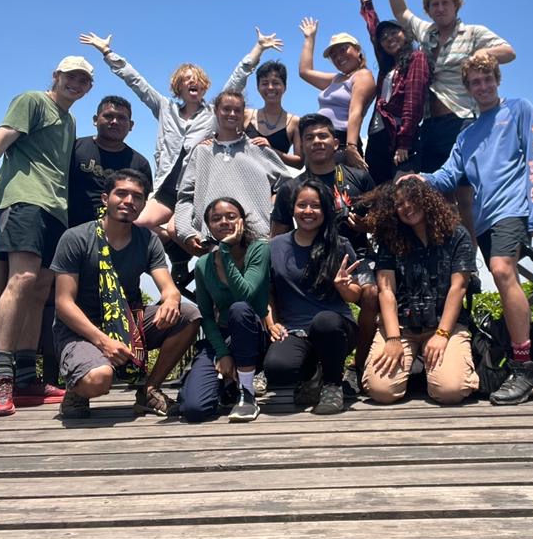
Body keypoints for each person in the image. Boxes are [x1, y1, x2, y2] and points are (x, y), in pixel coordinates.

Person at [401, 51, 533, 406]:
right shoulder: (466, 135)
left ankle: (525, 367)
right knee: (502, 280)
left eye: (487, 80)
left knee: (501, 271)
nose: (482, 87)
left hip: (512, 210)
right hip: (482, 220)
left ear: (497, 80)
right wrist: (419, 177)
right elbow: (449, 176)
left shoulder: (519, 110)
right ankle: (521, 359)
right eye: (475, 82)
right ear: (467, 89)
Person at [0, 55, 94, 416]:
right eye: (70, 77)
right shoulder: (32, 101)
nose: (76, 84)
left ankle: (27, 378)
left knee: (40, 287)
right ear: (56, 76)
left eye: (83, 80)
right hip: (24, 201)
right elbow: (2, 138)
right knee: (23, 278)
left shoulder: (70, 118)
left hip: (54, 209)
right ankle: (2, 376)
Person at [372, 0, 515, 237]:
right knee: (439, 195)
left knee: (464, 194)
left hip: (462, 120)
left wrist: (478, 55)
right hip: (431, 124)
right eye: (434, 4)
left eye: (445, 2)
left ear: (455, 4)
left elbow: (508, 52)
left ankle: (469, 265)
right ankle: (449, 260)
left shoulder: (473, 33)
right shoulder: (427, 34)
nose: (440, 8)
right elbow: (401, 12)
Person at [51, 169, 201, 419]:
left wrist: (172, 299)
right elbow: (63, 303)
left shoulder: (147, 240)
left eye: (137, 197)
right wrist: (103, 341)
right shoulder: (76, 238)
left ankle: (149, 391)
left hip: (127, 320)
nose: (129, 201)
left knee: (189, 314)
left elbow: (168, 287)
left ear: (144, 204)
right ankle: (77, 389)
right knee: (98, 379)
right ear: (105, 198)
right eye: (121, 194)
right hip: (80, 328)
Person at [270, 113, 378, 376]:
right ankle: (301, 354)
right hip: (307, 256)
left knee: (373, 293)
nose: (317, 142)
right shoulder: (290, 188)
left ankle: (359, 364)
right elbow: (278, 235)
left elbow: (382, 220)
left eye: (322, 136)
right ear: (302, 146)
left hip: (355, 255)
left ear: (335, 142)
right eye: (309, 138)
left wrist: (366, 226)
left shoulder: (358, 178)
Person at [78, 32, 214, 240]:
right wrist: (107, 52)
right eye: (187, 79)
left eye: (197, 80)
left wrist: (256, 52)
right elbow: (137, 82)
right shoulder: (165, 108)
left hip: (199, 190)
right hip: (167, 190)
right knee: (135, 222)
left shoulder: (215, 114)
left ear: (204, 85)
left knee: (191, 232)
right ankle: (172, 250)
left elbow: (237, 86)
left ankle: (188, 259)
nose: (192, 82)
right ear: (179, 87)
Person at [362, 179, 480, 404]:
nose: (406, 206)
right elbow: (386, 290)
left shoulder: (457, 234)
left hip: (445, 325)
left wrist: (442, 334)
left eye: (412, 199)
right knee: (381, 391)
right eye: (399, 204)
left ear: (427, 200)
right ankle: (416, 368)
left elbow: (459, 287)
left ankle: (432, 369)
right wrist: (393, 337)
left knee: (450, 391)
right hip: (402, 327)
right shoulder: (391, 239)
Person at [264, 181, 372, 415]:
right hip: (295, 329)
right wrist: (272, 324)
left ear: (325, 210)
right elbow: (268, 293)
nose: (308, 211)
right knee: (277, 368)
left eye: (315, 206)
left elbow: (356, 295)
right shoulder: (275, 247)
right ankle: (313, 376)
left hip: (336, 329)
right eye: (302, 205)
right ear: (293, 209)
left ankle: (333, 384)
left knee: (325, 322)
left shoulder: (340, 245)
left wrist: (344, 287)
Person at [179, 197, 270, 423]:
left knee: (239, 309)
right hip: (223, 337)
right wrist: (222, 353)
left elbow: (245, 295)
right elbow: (207, 316)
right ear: (208, 226)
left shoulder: (258, 250)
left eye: (231, 217)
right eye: (216, 219)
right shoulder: (203, 265)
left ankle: (247, 393)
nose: (224, 222)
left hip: (253, 335)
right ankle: (223, 385)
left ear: (242, 221)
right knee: (194, 409)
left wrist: (226, 252)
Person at [173, 89, 292, 257]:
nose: (232, 114)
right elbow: (185, 197)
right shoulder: (201, 152)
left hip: (257, 242)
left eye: (237, 110)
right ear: (216, 111)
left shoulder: (258, 149)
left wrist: (271, 211)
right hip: (213, 243)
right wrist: (187, 232)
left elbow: (287, 188)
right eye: (226, 109)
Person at [347, 0, 430, 184]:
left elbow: (413, 101)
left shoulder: (415, 58)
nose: (389, 39)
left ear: (405, 34)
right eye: (385, 38)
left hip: (399, 134)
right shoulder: (387, 66)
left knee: (402, 188)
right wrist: (365, 0)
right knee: (377, 189)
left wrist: (404, 142)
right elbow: (374, 31)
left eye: (394, 33)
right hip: (377, 133)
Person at [297, 16, 376, 169]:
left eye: (343, 49)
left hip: (341, 142)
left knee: (342, 191)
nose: (338, 57)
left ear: (357, 50)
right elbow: (305, 71)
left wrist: (351, 147)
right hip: (320, 141)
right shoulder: (336, 79)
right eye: (333, 55)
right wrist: (309, 38)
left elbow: (356, 111)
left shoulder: (362, 75)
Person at [223, 28, 303, 169]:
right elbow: (226, 97)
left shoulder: (295, 122)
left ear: (285, 87)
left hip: (275, 186)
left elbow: (299, 163)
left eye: (276, 83)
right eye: (265, 83)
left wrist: (272, 150)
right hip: (241, 181)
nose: (270, 88)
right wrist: (258, 48)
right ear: (258, 87)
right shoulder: (246, 115)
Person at [68, 95, 153, 227]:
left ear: (131, 125)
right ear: (95, 120)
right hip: (69, 230)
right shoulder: (74, 149)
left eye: (121, 118)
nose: (114, 121)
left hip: (118, 235)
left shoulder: (140, 164)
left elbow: (142, 203)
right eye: (108, 116)